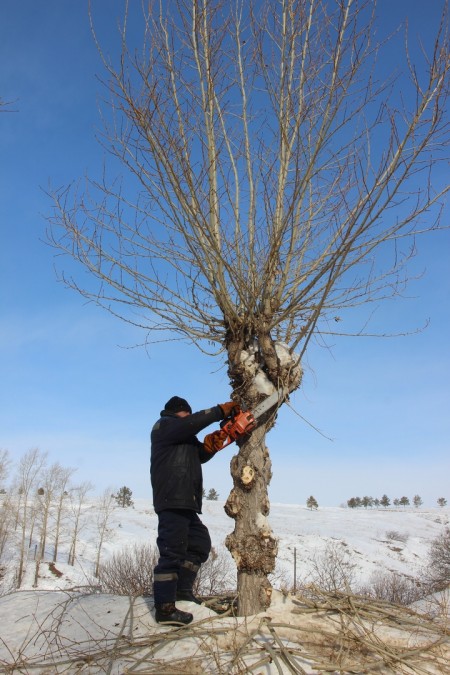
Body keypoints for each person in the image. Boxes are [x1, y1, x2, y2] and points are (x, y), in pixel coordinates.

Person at [150, 395, 239, 625]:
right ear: (177, 413)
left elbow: (199, 454)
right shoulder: (164, 427)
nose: (189, 418)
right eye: (186, 414)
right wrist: (220, 411)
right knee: (172, 551)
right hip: (172, 500)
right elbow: (192, 424)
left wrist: (214, 443)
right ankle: (165, 609)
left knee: (199, 543)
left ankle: (182, 591)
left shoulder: (183, 438)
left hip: (186, 502)